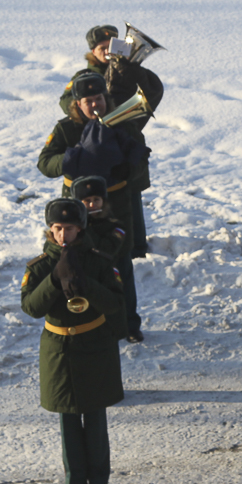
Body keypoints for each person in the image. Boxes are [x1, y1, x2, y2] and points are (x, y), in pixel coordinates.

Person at [20, 198, 127, 484]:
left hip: (94, 345)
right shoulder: (40, 266)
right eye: (57, 228)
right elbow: (31, 307)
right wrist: (55, 279)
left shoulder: (99, 261)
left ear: (80, 228)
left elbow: (115, 302)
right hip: (59, 350)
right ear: (49, 230)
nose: (63, 235)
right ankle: (73, 480)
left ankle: (100, 481)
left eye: (69, 228)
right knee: (68, 418)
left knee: (94, 417)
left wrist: (87, 284)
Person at [37, 70, 149, 342]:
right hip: (77, 211)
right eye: (88, 101)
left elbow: (140, 161)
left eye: (99, 98)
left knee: (120, 264)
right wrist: (70, 159)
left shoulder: (121, 123)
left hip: (115, 205)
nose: (95, 105)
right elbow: (44, 163)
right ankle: (88, 320)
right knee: (83, 263)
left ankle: (128, 325)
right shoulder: (66, 128)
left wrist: (127, 169)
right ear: (77, 104)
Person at [64, 24, 164, 269]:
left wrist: (132, 68)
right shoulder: (81, 77)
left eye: (112, 46)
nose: (108, 52)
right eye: (101, 48)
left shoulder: (129, 70)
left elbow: (153, 90)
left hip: (124, 144)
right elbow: (66, 101)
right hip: (90, 147)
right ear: (92, 51)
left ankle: (137, 246)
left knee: (129, 198)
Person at [71, 175, 128, 265]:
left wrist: (84, 228)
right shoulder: (70, 224)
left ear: (103, 201)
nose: (92, 205)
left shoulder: (115, 226)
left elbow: (107, 249)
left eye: (96, 200)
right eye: (87, 201)